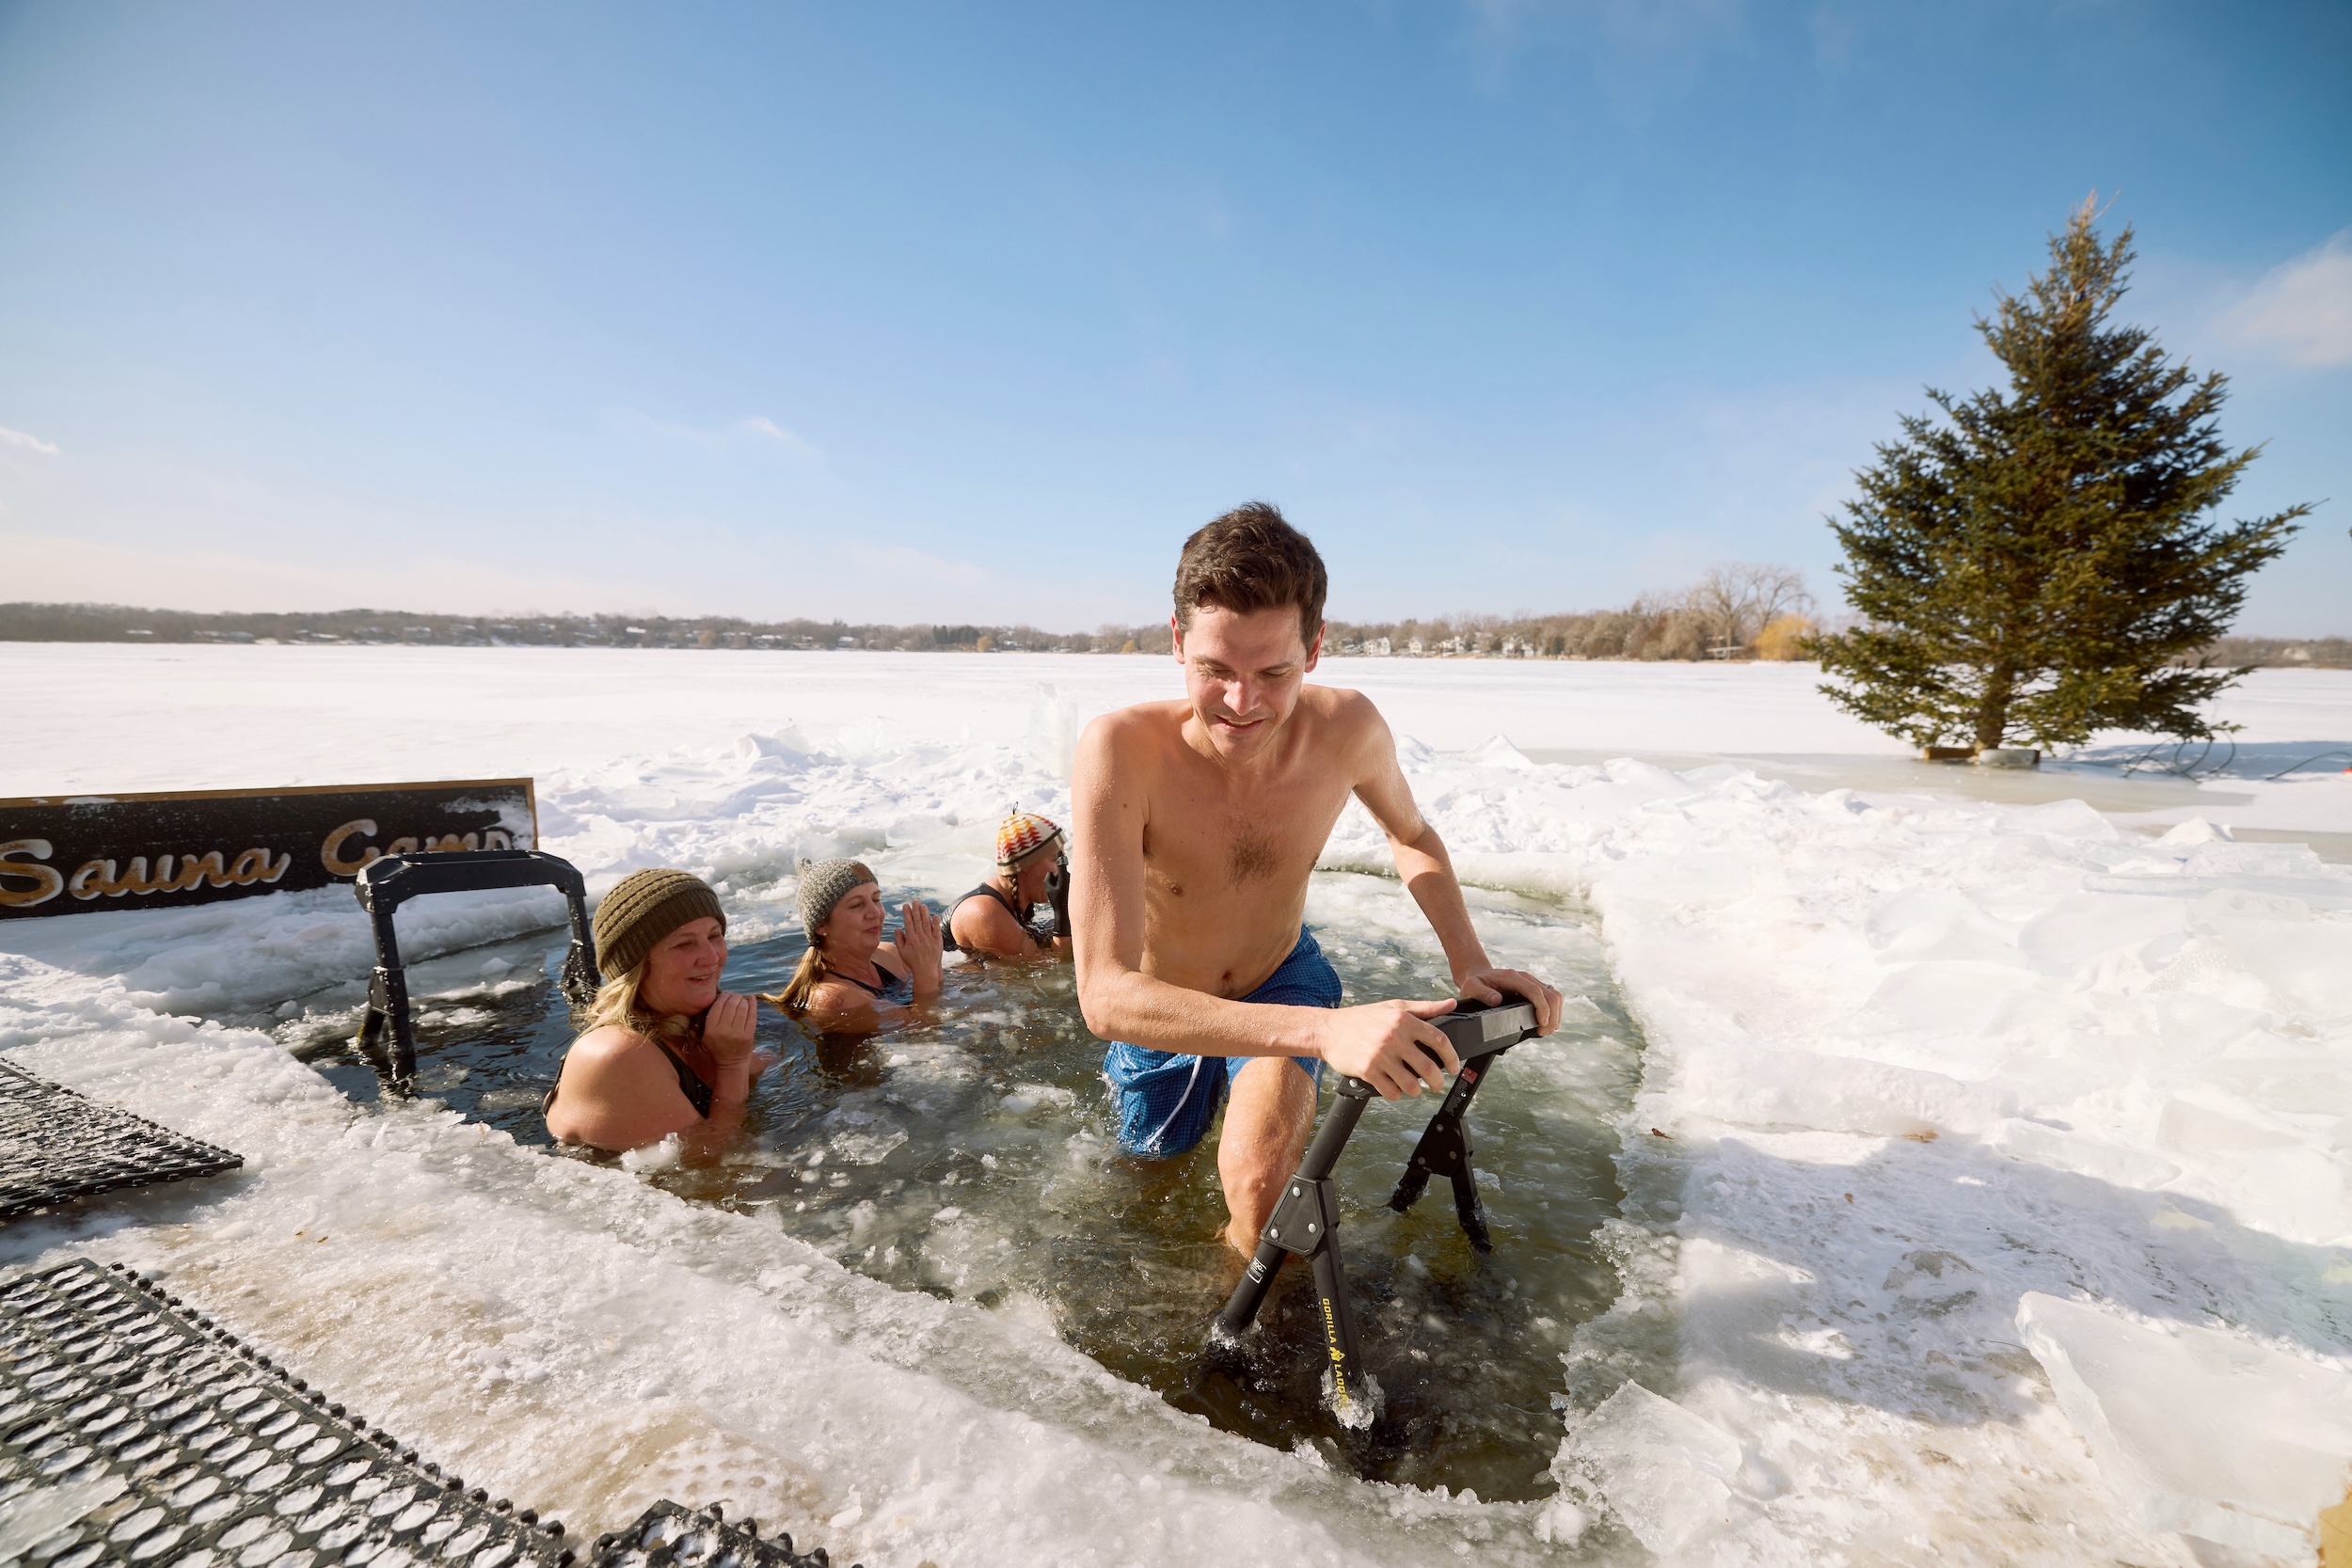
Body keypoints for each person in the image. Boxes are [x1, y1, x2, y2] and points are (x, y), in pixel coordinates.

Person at [1071, 502, 1566, 1254]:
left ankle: (1251, 1348)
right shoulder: (1120, 751)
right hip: (1163, 1006)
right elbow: (1106, 996)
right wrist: (1330, 1032)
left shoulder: (1347, 731)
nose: (1242, 705)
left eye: (1275, 672)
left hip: (1281, 979)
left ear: (1316, 646)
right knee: (1146, 1182)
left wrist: (1471, 962)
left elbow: (1414, 834)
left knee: (1263, 1186)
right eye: (1215, 671)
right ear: (1177, 643)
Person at [544, 867, 768, 1154]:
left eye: (714, 936)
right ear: (636, 965)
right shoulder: (618, 1055)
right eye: (684, 944)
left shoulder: (696, 1020)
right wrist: (732, 1065)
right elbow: (713, 1163)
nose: (712, 957)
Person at [770, 857, 944, 1031]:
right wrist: (926, 971)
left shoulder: (888, 954)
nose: (875, 913)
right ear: (821, 925)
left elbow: (941, 997)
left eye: (876, 899)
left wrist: (932, 959)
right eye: (856, 905)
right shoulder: (834, 997)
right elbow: (924, 1031)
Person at [944, 809, 1073, 959]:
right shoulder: (986, 913)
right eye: (1055, 859)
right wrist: (1062, 913)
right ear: (1026, 865)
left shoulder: (1015, 901)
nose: (1062, 869)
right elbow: (1054, 968)